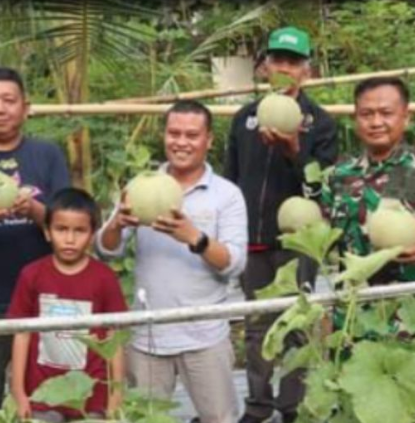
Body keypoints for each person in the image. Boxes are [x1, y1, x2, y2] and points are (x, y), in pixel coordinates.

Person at [97, 100, 247, 423]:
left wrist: (196, 238)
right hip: (148, 335)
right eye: (174, 133)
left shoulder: (227, 194)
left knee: (220, 419)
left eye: (192, 135)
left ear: (208, 140)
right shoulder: (138, 187)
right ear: (164, 135)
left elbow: (235, 263)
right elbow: (107, 250)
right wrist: (117, 225)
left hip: (205, 334)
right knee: (145, 419)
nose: (181, 142)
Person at [224, 26, 338, 423]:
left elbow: (320, 186)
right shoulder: (245, 118)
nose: (285, 69)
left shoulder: (320, 123)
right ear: (265, 67)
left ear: (306, 70)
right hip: (253, 240)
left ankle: (292, 407)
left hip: (297, 243)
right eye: (278, 61)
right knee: (256, 326)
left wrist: (294, 152)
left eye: (293, 62)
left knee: (295, 324)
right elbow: (231, 180)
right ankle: (258, 406)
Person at [322, 76, 415, 285]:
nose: (376, 122)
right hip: (352, 310)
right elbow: (321, 236)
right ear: (355, 119)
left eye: (386, 113)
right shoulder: (338, 176)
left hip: (412, 310)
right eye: (366, 114)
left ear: (406, 117)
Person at [8, 188, 126, 422]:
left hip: (92, 396)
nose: (70, 239)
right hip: (42, 395)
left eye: (79, 230)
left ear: (92, 234)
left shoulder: (104, 278)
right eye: (61, 229)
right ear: (47, 231)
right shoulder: (32, 275)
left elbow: (115, 337)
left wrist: (116, 394)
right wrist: (19, 392)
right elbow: (22, 334)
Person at [0, 67, 70, 399]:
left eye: (8, 100)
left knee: (47, 397)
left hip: (44, 298)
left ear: (25, 107)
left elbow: (70, 225)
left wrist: (36, 211)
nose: (1, 108)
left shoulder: (47, 154)